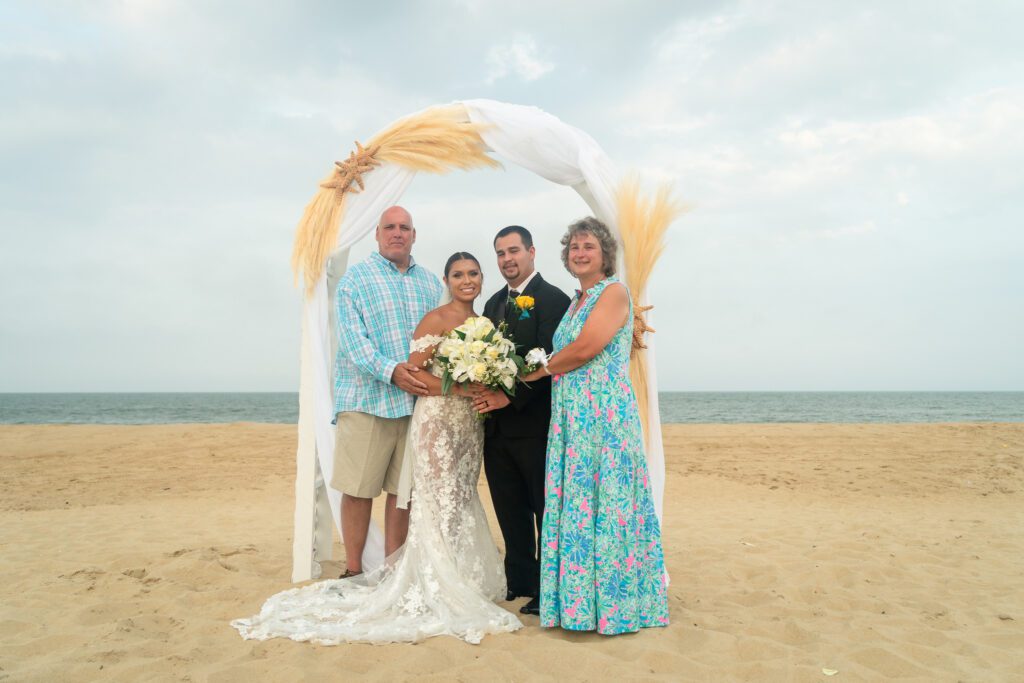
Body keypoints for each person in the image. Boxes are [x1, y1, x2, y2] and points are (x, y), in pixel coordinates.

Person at [232, 253, 521, 644]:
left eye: (472, 274)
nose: (466, 280)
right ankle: (423, 577)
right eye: (458, 274)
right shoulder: (435, 319)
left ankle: (462, 573)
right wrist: (463, 388)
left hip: (468, 427)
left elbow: (491, 373)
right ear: (446, 280)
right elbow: (415, 372)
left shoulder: (485, 323)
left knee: (461, 495)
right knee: (434, 498)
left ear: (481, 278)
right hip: (436, 419)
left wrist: (488, 384)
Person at [520, 217, 669, 635]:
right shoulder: (576, 301)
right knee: (580, 507)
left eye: (589, 246)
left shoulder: (614, 292)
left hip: (604, 416)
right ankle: (580, 606)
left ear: (605, 254)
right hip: (573, 418)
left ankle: (618, 607)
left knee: (610, 507)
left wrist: (536, 372)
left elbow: (586, 348)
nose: (580, 253)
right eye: (574, 248)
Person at [331, 205, 440, 577]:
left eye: (404, 227)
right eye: (389, 227)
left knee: (401, 492)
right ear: (377, 234)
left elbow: (438, 341)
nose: (397, 233)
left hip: (414, 404)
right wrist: (390, 371)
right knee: (359, 488)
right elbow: (351, 342)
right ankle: (352, 569)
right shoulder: (354, 281)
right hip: (367, 399)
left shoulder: (430, 283)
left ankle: (394, 571)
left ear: (414, 234)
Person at [472, 226, 570, 616]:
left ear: (531, 251)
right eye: (500, 253)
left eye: (513, 250)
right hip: (496, 432)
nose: (507, 259)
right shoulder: (493, 304)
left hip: (536, 426)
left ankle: (548, 588)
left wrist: (506, 398)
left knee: (544, 509)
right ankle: (520, 582)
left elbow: (552, 365)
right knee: (509, 509)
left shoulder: (554, 300)